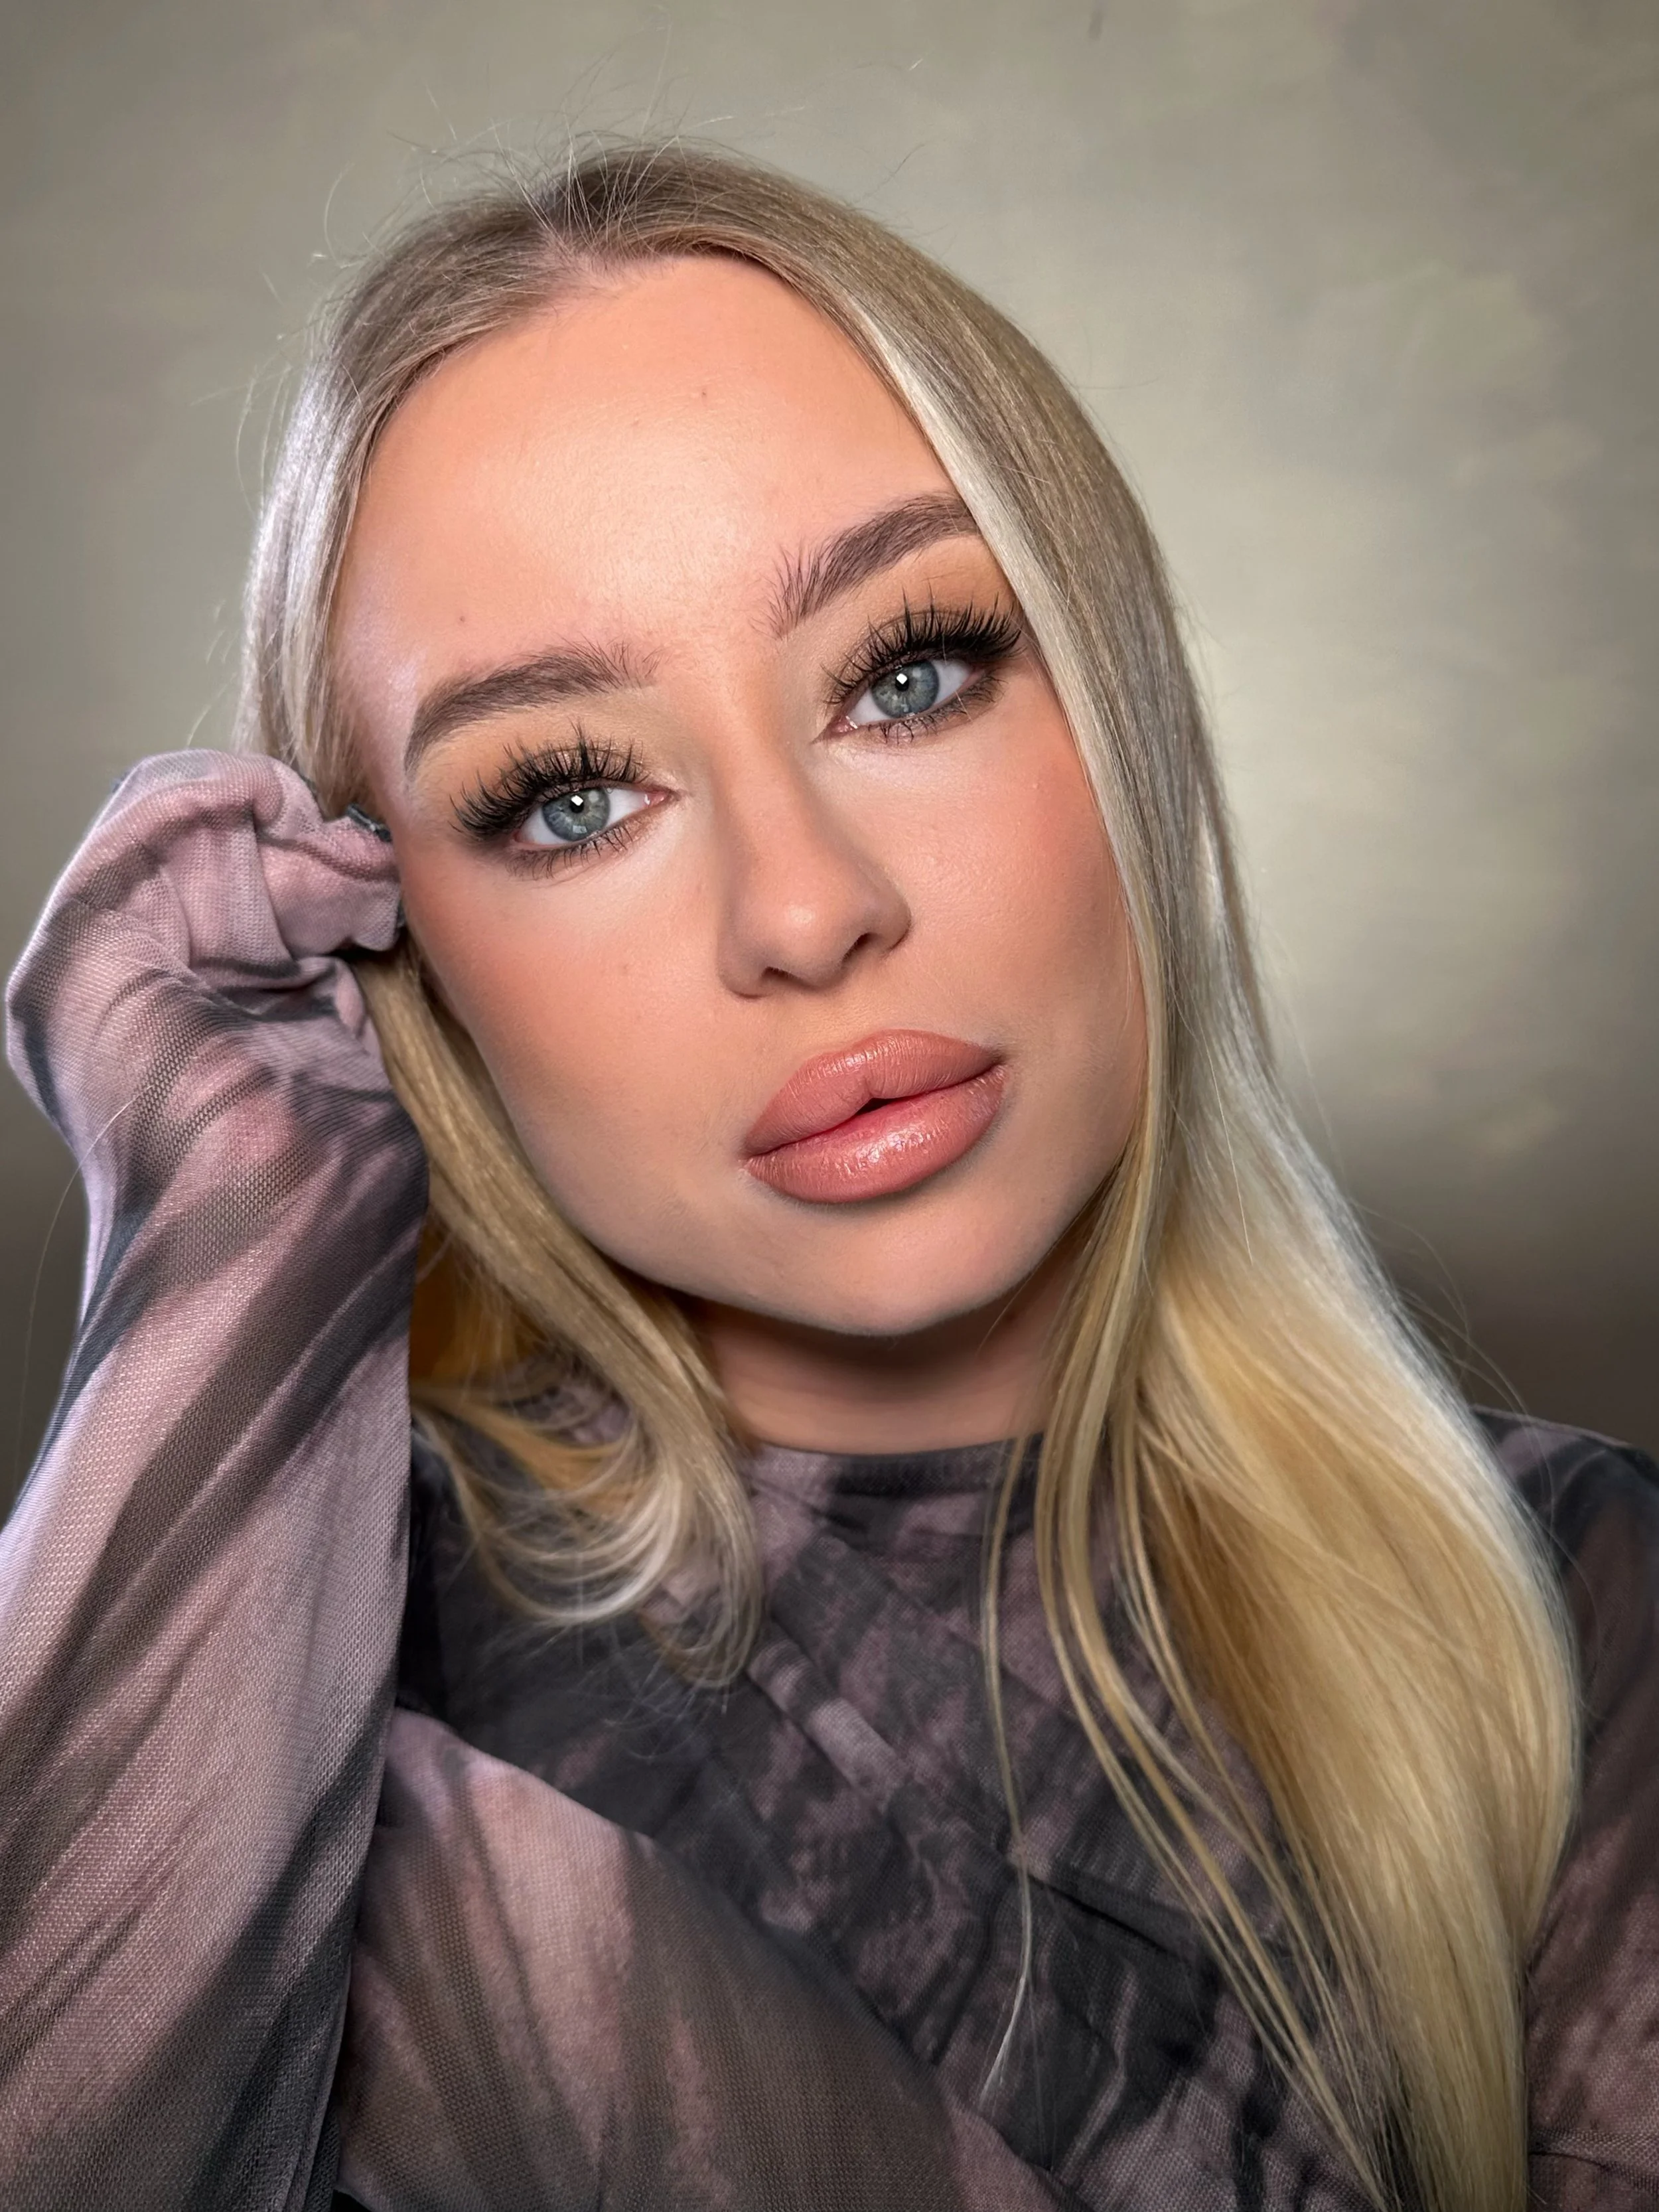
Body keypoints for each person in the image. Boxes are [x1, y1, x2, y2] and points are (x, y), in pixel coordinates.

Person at [1, 143, 1654, 2212]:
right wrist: (226, 1254)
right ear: (391, 937)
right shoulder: (297, 1702)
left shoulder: (1567, 1612)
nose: (803, 911)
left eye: (910, 673)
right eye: (567, 795)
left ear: (1114, 703)